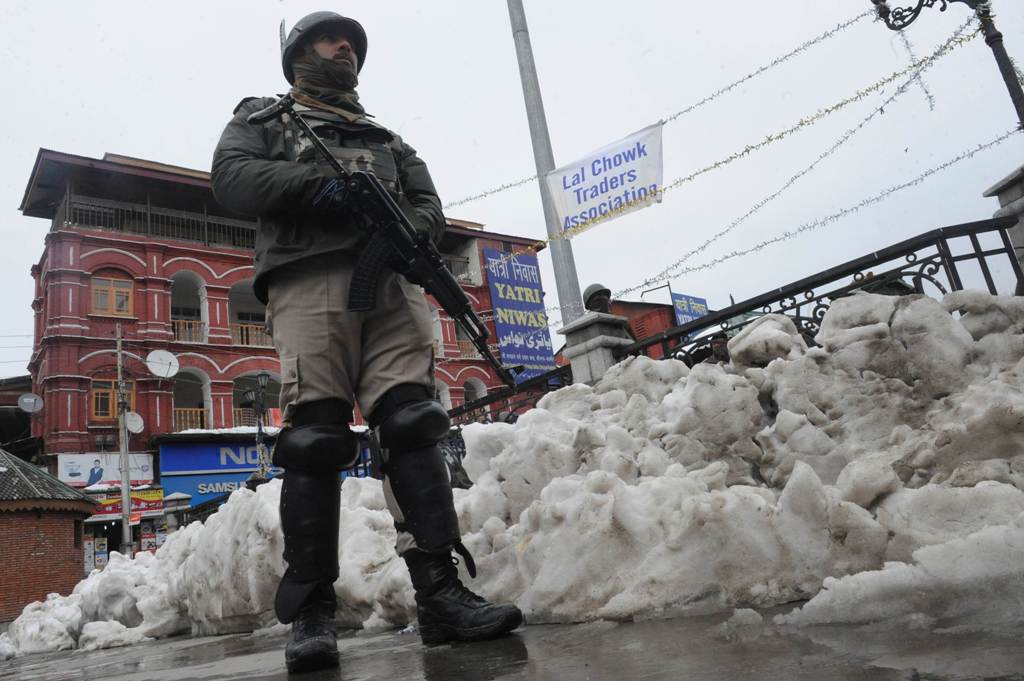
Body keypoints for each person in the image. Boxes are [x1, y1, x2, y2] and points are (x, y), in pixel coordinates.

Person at [211, 11, 522, 673]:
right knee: (317, 435)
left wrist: (407, 229)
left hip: (392, 287)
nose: (346, 47)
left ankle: (440, 592)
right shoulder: (265, 120)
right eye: (332, 38)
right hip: (309, 280)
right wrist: (318, 189)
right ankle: (313, 611)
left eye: (354, 42)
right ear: (299, 53)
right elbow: (232, 179)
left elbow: (429, 206)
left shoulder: (385, 137)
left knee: (412, 423)